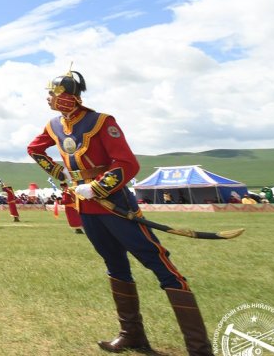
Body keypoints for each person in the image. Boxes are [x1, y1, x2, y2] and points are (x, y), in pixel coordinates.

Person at [28, 69, 212, 355]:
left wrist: (97, 187)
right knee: (114, 266)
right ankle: (132, 334)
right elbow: (35, 149)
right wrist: (61, 174)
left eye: (54, 93)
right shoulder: (54, 125)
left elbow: (127, 163)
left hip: (115, 205)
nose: (49, 99)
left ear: (69, 96)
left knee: (158, 264)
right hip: (87, 210)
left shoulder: (101, 121)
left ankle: (199, 348)